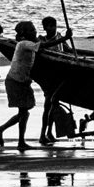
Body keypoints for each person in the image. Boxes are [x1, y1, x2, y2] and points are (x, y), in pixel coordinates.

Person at [0, 21, 72, 151]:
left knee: (25, 111)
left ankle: (2, 129)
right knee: (24, 112)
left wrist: (62, 40)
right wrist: (64, 38)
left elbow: (42, 45)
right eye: (32, 30)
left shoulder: (30, 43)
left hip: (23, 81)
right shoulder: (24, 44)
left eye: (35, 29)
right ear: (25, 33)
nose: (35, 32)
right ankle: (19, 141)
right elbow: (43, 46)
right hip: (15, 81)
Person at [38, 16, 69, 145]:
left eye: (53, 26)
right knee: (47, 106)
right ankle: (42, 134)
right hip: (48, 78)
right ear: (44, 28)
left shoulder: (59, 37)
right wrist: (64, 38)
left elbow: (67, 50)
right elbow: (43, 48)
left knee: (54, 105)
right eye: (48, 26)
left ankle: (50, 132)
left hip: (59, 76)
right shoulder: (41, 40)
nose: (51, 28)